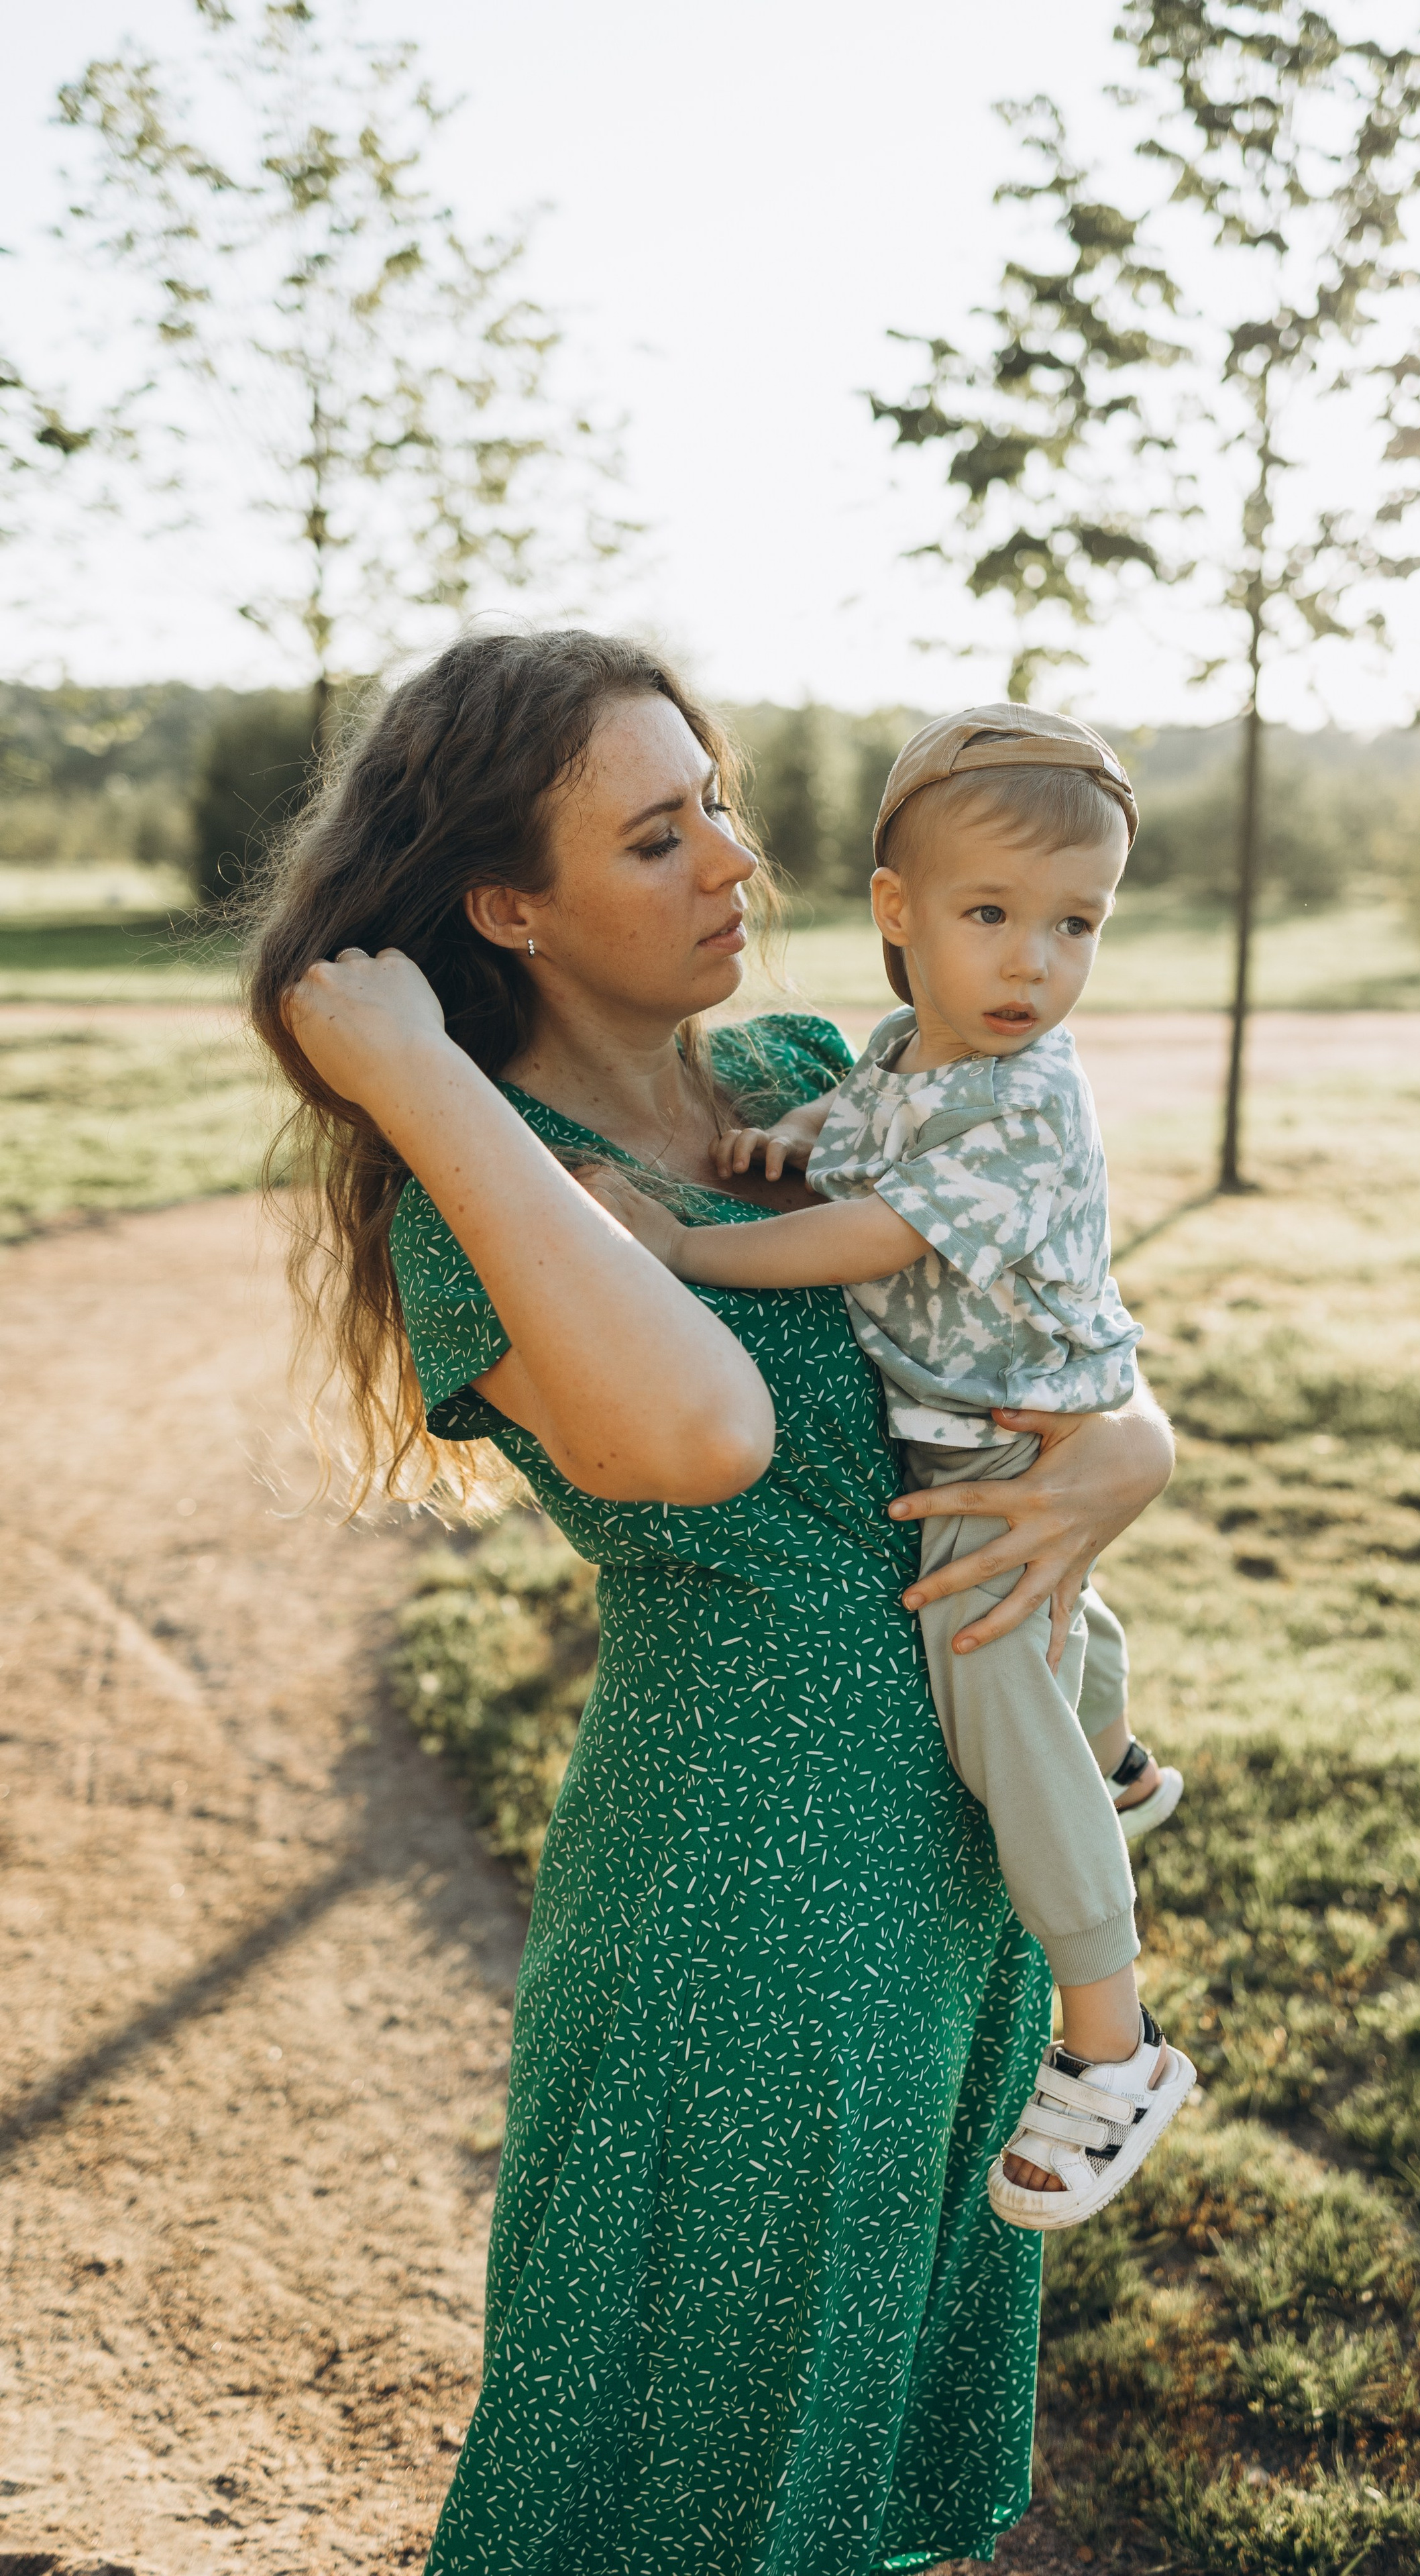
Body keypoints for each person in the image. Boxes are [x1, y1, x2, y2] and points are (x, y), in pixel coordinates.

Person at [246, 629, 1177, 2576]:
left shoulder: (800, 1073)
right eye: (659, 838)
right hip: (755, 1891)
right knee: (689, 2446)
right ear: (513, 907)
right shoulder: (472, 1204)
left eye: (724, 808)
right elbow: (705, 1428)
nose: (741, 868)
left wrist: (1131, 1449)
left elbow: (1025, 1299)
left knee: (849, 2438)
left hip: (959, 1854)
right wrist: (425, 1083)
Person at [579, 706, 1193, 2235]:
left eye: (1074, 926)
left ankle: (1112, 2045)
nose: (1032, 966)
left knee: (992, 1684)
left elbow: (873, 1237)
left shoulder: (1030, 1096)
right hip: (986, 1413)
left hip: (1003, 1436)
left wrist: (685, 1244)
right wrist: (793, 1131)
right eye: (990, 917)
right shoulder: (904, 1050)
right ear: (897, 916)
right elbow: (862, 1141)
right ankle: (1112, 1757)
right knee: (1056, 1644)